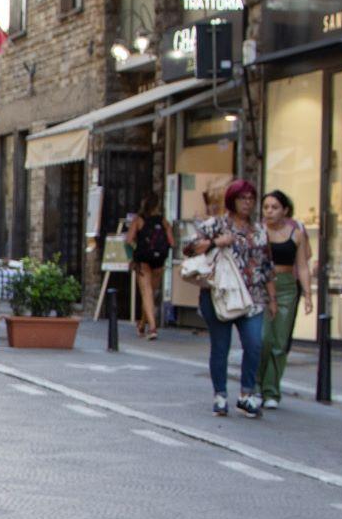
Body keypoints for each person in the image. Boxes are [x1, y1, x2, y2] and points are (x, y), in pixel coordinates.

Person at [183, 178, 274, 418]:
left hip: (252, 296)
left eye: (251, 198)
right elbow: (189, 248)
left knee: (255, 344)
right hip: (220, 294)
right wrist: (216, 242)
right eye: (243, 198)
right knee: (220, 346)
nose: (248, 203)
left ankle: (246, 394)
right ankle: (220, 395)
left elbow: (266, 265)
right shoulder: (216, 224)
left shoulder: (259, 230)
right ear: (232, 200)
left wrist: (272, 298)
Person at [256, 189, 314, 409]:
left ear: (285, 210)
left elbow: (302, 266)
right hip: (262, 287)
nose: (269, 212)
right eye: (266, 207)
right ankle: (255, 385)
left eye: (274, 207)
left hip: (288, 288)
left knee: (280, 342)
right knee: (262, 339)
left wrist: (308, 295)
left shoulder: (296, 233)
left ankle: (272, 391)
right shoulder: (259, 232)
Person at [127, 198, 171, 340]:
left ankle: (152, 328)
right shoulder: (163, 221)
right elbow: (172, 242)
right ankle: (142, 324)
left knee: (147, 293)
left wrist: (134, 253)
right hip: (159, 261)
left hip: (143, 260)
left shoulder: (138, 220)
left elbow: (128, 240)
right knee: (151, 293)